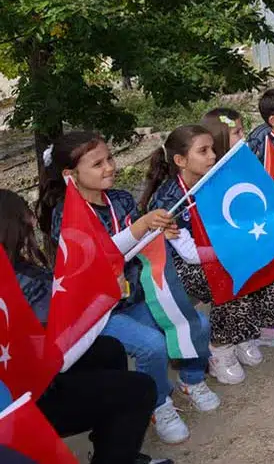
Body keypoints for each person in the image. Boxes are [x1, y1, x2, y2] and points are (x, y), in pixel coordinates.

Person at [36, 132, 217, 445]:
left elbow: (141, 241)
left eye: (110, 158)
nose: (109, 167)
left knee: (197, 322)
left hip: (139, 295)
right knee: (151, 345)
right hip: (100, 312)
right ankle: (158, 403)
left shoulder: (120, 199)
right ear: (71, 175)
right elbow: (95, 258)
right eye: (98, 164)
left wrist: (162, 229)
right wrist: (142, 227)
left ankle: (191, 380)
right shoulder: (65, 215)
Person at [2, 190, 172, 464]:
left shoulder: (15, 271)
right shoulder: (20, 283)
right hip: (29, 397)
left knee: (109, 350)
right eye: (26, 216)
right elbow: (59, 355)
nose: (33, 222)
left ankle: (114, 450)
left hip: (28, 379)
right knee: (139, 389)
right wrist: (103, 302)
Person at [139, 125, 274, 387]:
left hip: (213, 252)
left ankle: (243, 333)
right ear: (180, 161)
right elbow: (187, 254)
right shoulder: (169, 200)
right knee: (231, 271)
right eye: (204, 151)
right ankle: (219, 347)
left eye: (212, 149)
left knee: (258, 259)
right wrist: (232, 250)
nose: (213, 155)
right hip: (175, 269)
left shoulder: (212, 180)